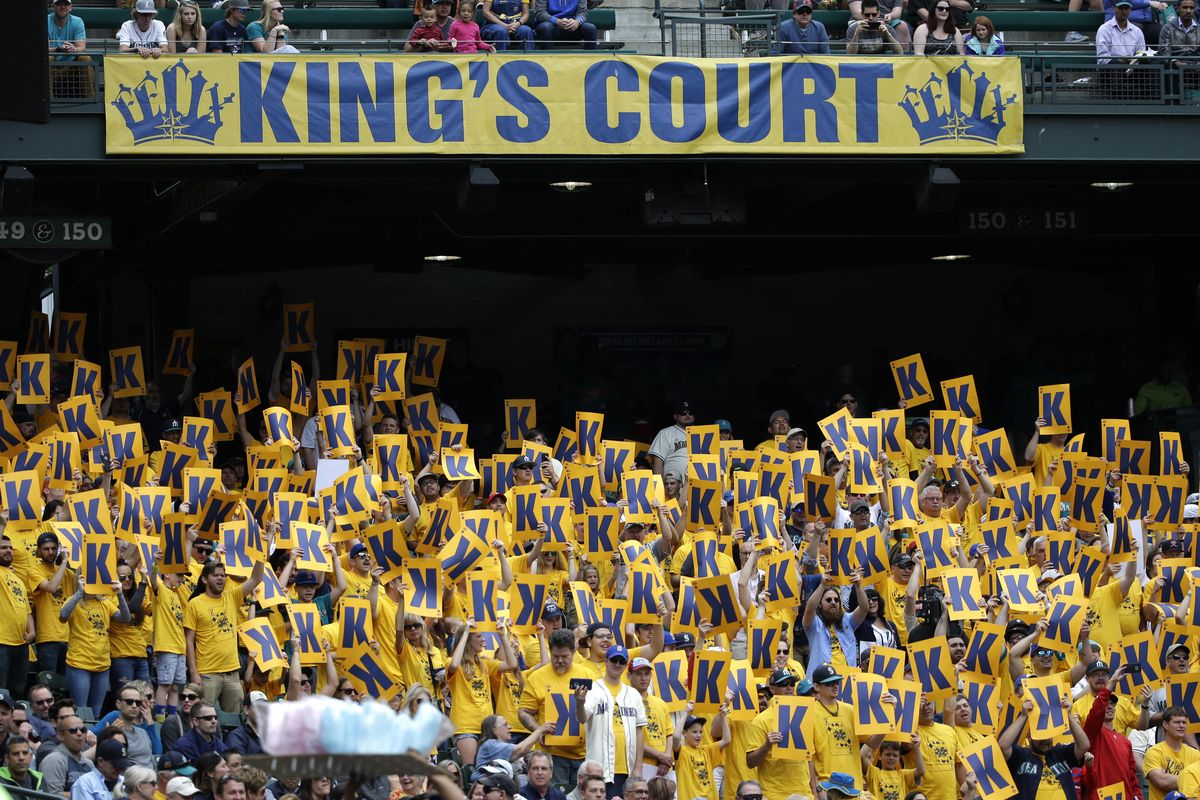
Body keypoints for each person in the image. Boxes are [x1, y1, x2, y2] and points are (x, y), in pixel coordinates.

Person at [519, 629, 599, 790]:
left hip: (584, 755)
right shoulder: (537, 677)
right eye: (555, 657)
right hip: (552, 756)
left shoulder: (588, 675)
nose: (560, 661)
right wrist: (537, 730)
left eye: (565, 657)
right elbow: (524, 712)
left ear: (573, 652)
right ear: (550, 652)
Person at [184, 559, 265, 713]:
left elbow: (256, 579)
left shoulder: (231, 596)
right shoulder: (194, 604)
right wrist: (194, 673)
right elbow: (189, 641)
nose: (221, 578)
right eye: (216, 575)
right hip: (207, 674)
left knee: (235, 721)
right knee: (201, 717)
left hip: (232, 674)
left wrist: (262, 553)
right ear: (204, 579)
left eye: (223, 575)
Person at [576, 644, 647, 797]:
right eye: (614, 660)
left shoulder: (633, 694)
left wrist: (638, 767)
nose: (617, 664)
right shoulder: (594, 689)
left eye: (621, 662)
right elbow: (582, 718)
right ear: (606, 661)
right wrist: (580, 702)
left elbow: (639, 731)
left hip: (627, 768)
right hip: (599, 768)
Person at [59, 577, 131, 716]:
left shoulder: (105, 603)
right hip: (79, 664)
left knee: (96, 713)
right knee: (81, 711)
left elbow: (125, 619)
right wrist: (80, 593)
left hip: (102, 665)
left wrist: (120, 594)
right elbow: (63, 616)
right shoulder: (74, 601)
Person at [999, 694, 1089, 800]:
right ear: (1029, 736)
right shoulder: (1021, 756)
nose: (1045, 740)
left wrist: (1068, 715)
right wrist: (1023, 716)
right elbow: (1003, 746)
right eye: (1040, 735)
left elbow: (1084, 745)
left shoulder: (1061, 752)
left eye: (1048, 735)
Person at [29, 531, 73, 676]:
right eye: (46, 549)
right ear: (39, 551)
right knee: (49, 684)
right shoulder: (34, 571)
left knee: (66, 688)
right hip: (47, 638)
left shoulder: (67, 573)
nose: (50, 552)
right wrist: (65, 562)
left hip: (69, 637)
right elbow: (51, 588)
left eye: (54, 548)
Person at [1145, 708, 1200, 800]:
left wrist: (1170, 778)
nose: (1182, 725)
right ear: (1165, 724)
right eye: (1177, 722)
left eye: (1184, 722)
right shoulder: (1154, 752)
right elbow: (1162, 781)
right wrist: (1192, 780)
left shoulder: (1195, 754)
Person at [1097, 0, 1147, 64]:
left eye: (1126, 8)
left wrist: (1133, 61)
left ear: (1130, 10)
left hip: (1132, 69)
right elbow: (1102, 59)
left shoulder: (1137, 31)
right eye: (1120, 8)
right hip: (1111, 69)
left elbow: (1141, 54)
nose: (1124, 11)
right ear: (1113, 9)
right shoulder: (1104, 29)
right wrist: (1120, 61)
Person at [533, 0, 597, 49]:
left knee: (590, 28)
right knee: (546, 27)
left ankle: (589, 60)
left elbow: (582, 12)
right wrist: (556, 21)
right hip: (552, 26)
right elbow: (540, 13)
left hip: (572, 27)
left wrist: (577, 22)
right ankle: (548, 59)